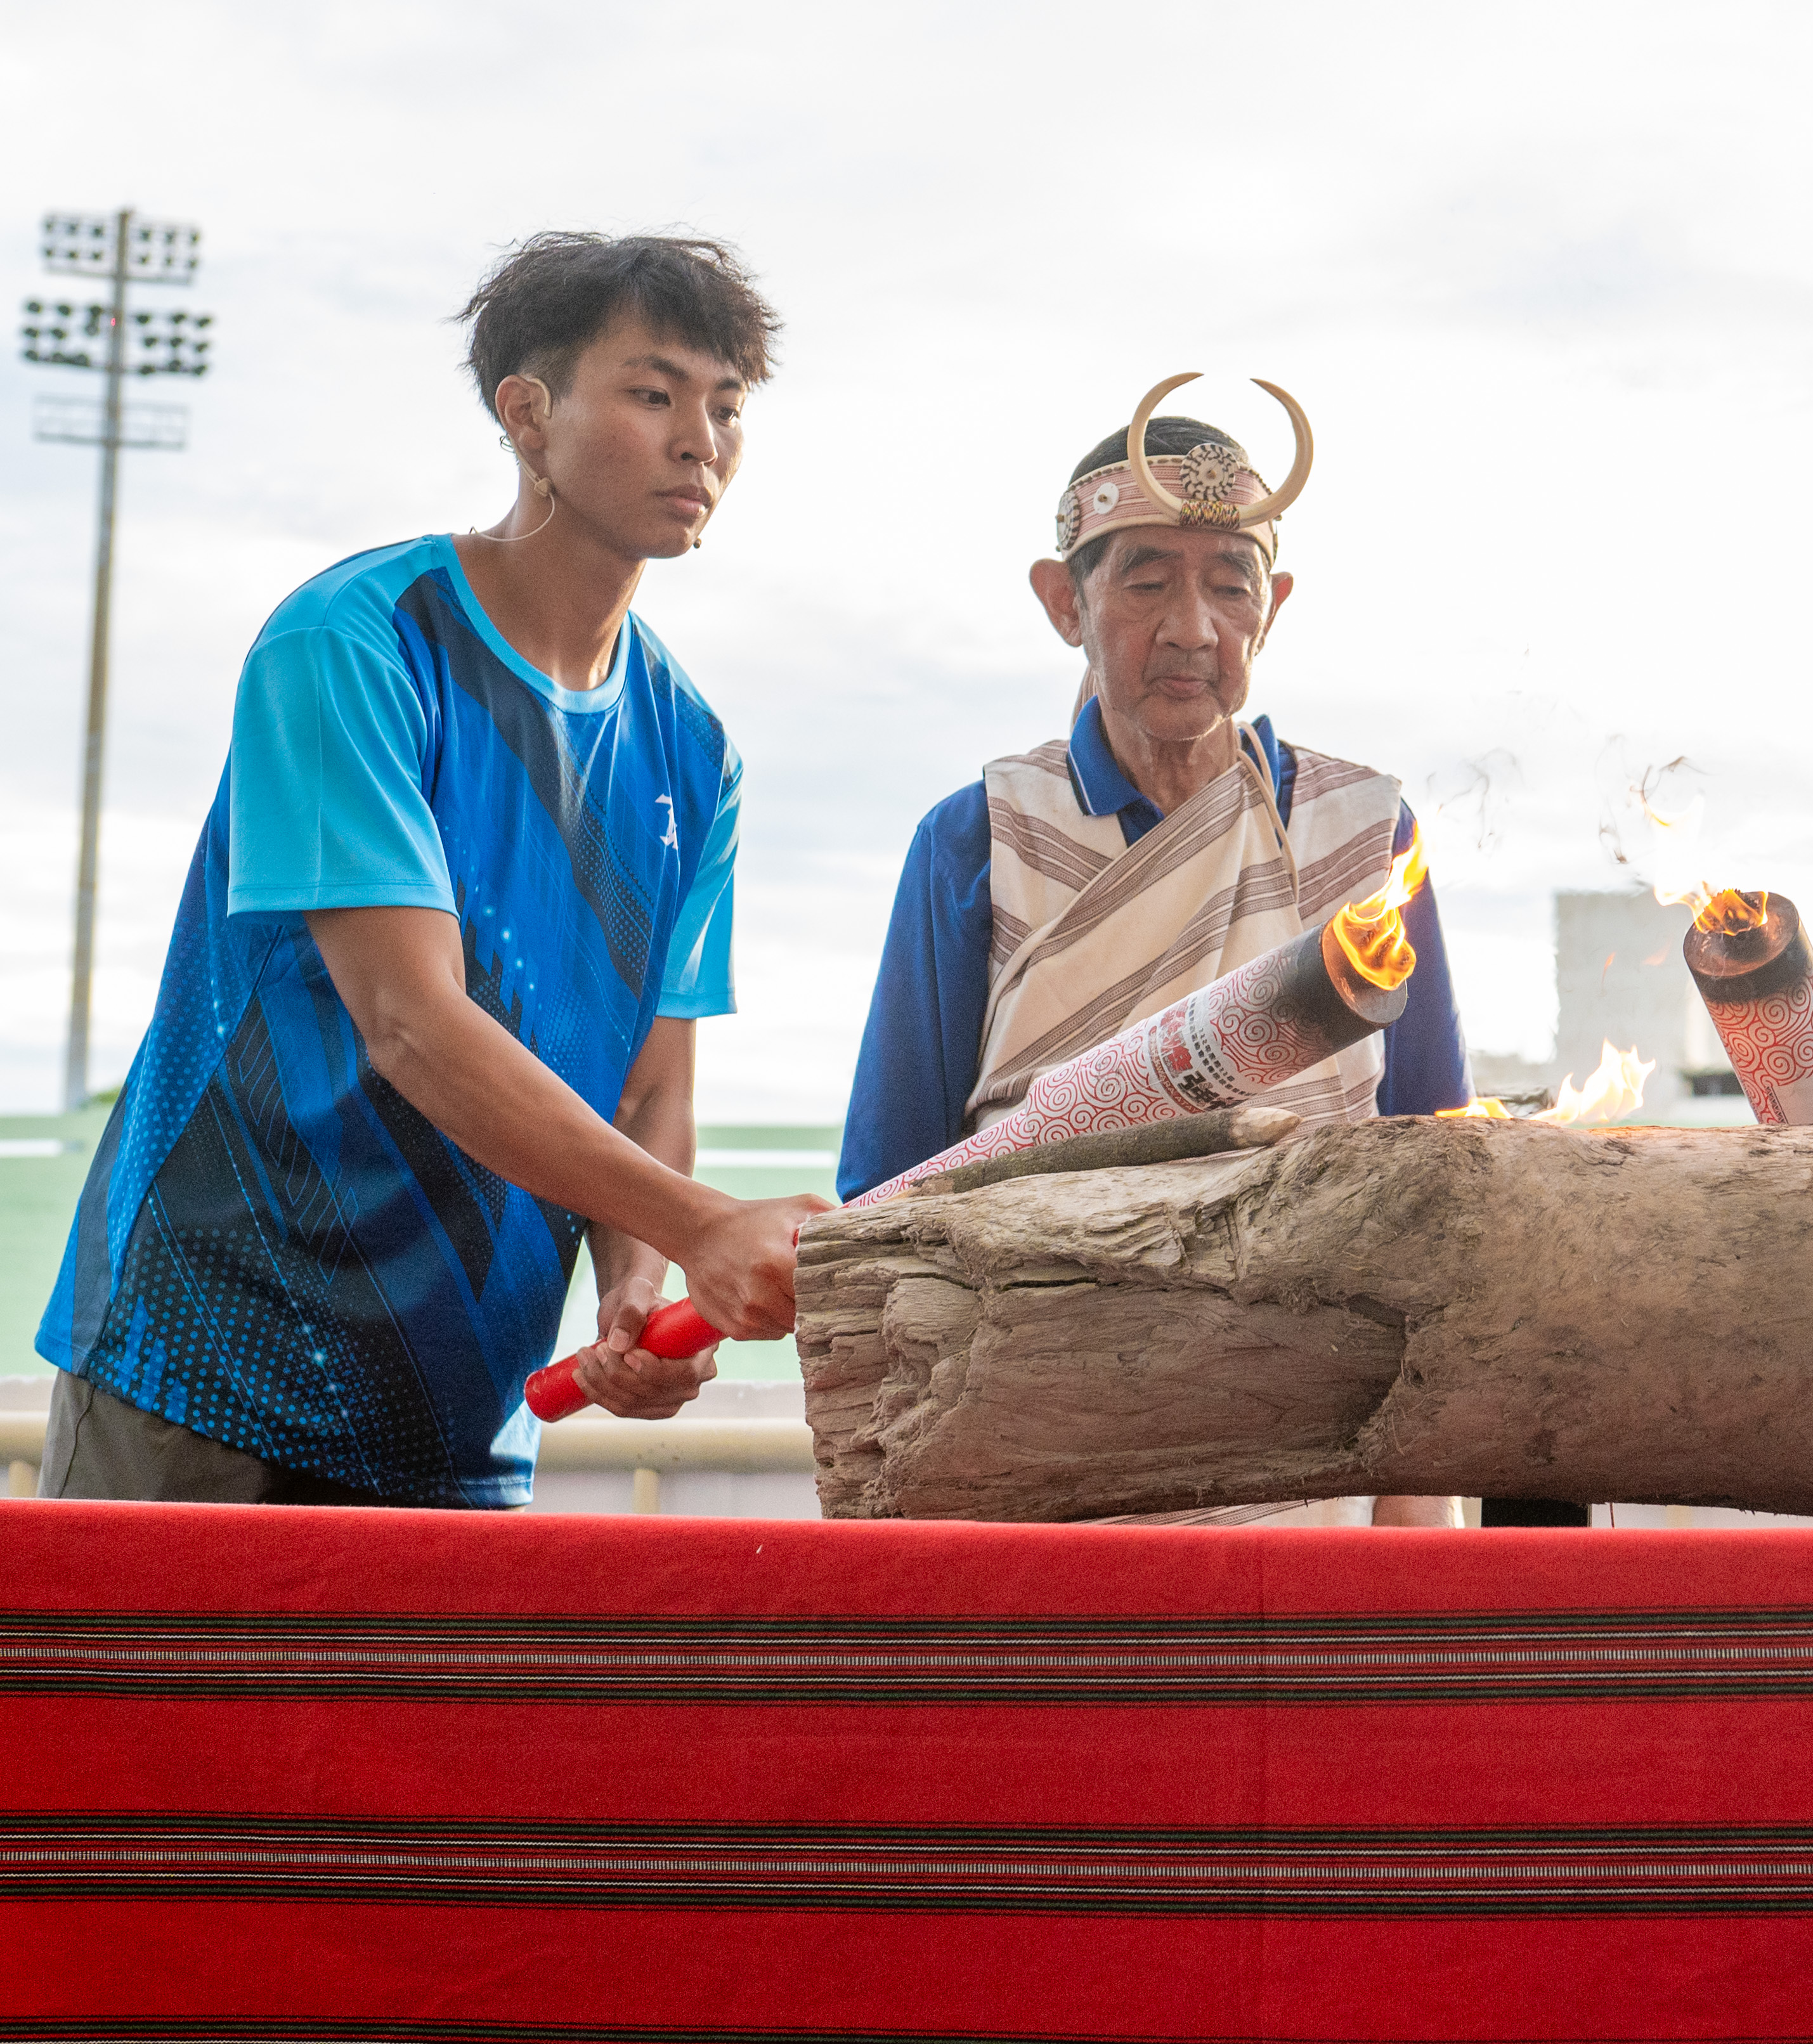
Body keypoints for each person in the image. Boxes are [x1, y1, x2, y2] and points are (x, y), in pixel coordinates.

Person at [34, 232, 827, 1509]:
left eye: (727, 406)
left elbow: (647, 1089)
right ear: (527, 415)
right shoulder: (355, 640)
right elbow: (408, 1020)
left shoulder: (696, 755)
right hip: (203, 1380)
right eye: (652, 392)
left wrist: (634, 1288)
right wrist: (695, 1224)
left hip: (462, 1429)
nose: (702, 440)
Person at [842, 380, 1469, 1527]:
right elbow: (888, 1192)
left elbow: (1436, 1172)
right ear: (1060, 602)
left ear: (1272, 605)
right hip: (1041, 1428)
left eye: (1229, 584)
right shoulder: (980, 835)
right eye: (1145, 582)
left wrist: (1414, 1522)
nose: (1193, 627)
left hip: (1311, 1447)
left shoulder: (1367, 833)